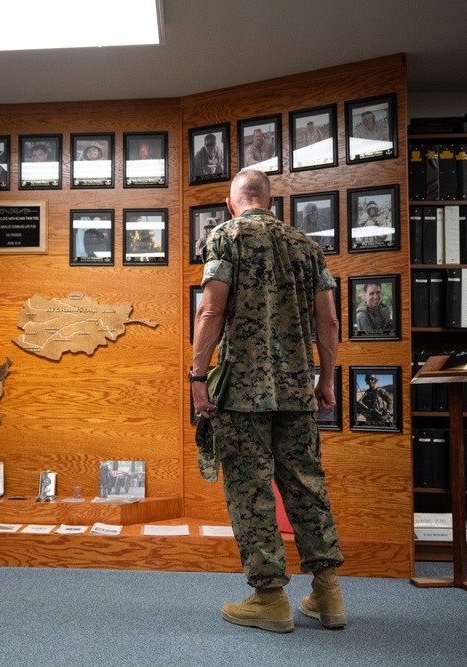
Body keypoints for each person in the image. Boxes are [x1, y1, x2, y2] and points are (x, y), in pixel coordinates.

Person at [192, 168, 345, 633]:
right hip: (298, 389)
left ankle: (270, 599)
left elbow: (211, 309)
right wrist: (327, 379)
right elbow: (330, 323)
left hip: (241, 393)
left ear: (230, 202)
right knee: (306, 485)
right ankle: (328, 593)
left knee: (250, 489)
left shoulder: (225, 237)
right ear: (271, 203)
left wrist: (198, 375)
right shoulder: (306, 246)